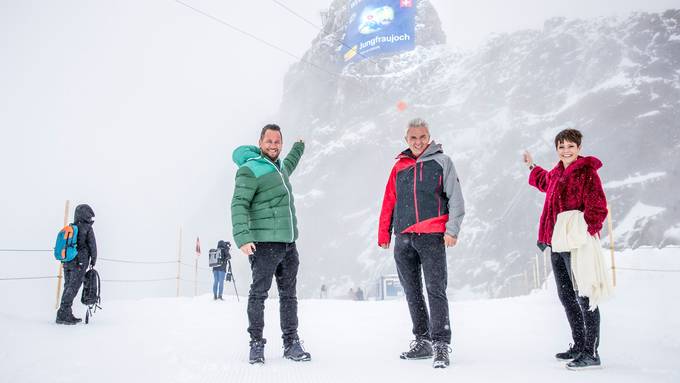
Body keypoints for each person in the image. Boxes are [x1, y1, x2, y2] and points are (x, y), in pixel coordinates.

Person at [378, 118, 465, 369]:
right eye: (413, 138)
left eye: (422, 137)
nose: (418, 142)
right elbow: (389, 200)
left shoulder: (442, 162)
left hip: (432, 236)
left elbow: (456, 199)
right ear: (406, 139)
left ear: (430, 138)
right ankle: (422, 340)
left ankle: (440, 344)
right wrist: (384, 233)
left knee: (435, 289)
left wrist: (452, 230)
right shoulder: (399, 167)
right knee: (412, 291)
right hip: (403, 237)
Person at [524, 128, 608, 370]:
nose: (566, 150)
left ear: (579, 148)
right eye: (561, 146)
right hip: (556, 241)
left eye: (570, 146)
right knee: (567, 295)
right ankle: (579, 345)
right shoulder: (557, 173)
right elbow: (544, 182)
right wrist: (532, 167)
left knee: (585, 295)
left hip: (575, 242)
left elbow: (597, 206)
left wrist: (585, 231)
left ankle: (591, 352)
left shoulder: (587, 172)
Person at [231, 123, 311, 365]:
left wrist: (299, 146)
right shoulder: (249, 169)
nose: (273, 145)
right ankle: (256, 344)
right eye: (269, 141)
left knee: (289, 296)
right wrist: (243, 238)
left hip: (288, 243)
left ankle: (291, 342)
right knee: (258, 295)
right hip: (264, 245)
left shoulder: (279, 169)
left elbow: (290, 163)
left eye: (277, 142)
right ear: (260, 143)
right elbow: (238, 204)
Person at [56, 204, 97, 325]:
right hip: (80, 261)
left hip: (68, 261)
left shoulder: (72, 227)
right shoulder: (87, 228)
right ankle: (63, 314)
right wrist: (93, 260)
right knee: (73, 287)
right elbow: (92, 246)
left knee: (68, 286)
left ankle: (65, 312)